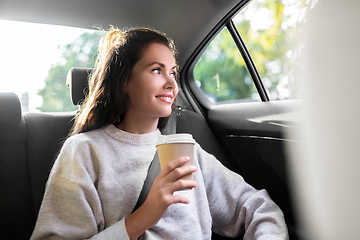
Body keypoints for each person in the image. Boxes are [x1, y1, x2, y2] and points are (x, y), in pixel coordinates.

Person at [31, 27, 288, 240]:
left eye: (173, 72)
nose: (171, 83)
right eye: (156, 70)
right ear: (123, 82)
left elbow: (258, 208)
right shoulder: (84, 152)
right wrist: (144, 216)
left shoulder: (189, 152)